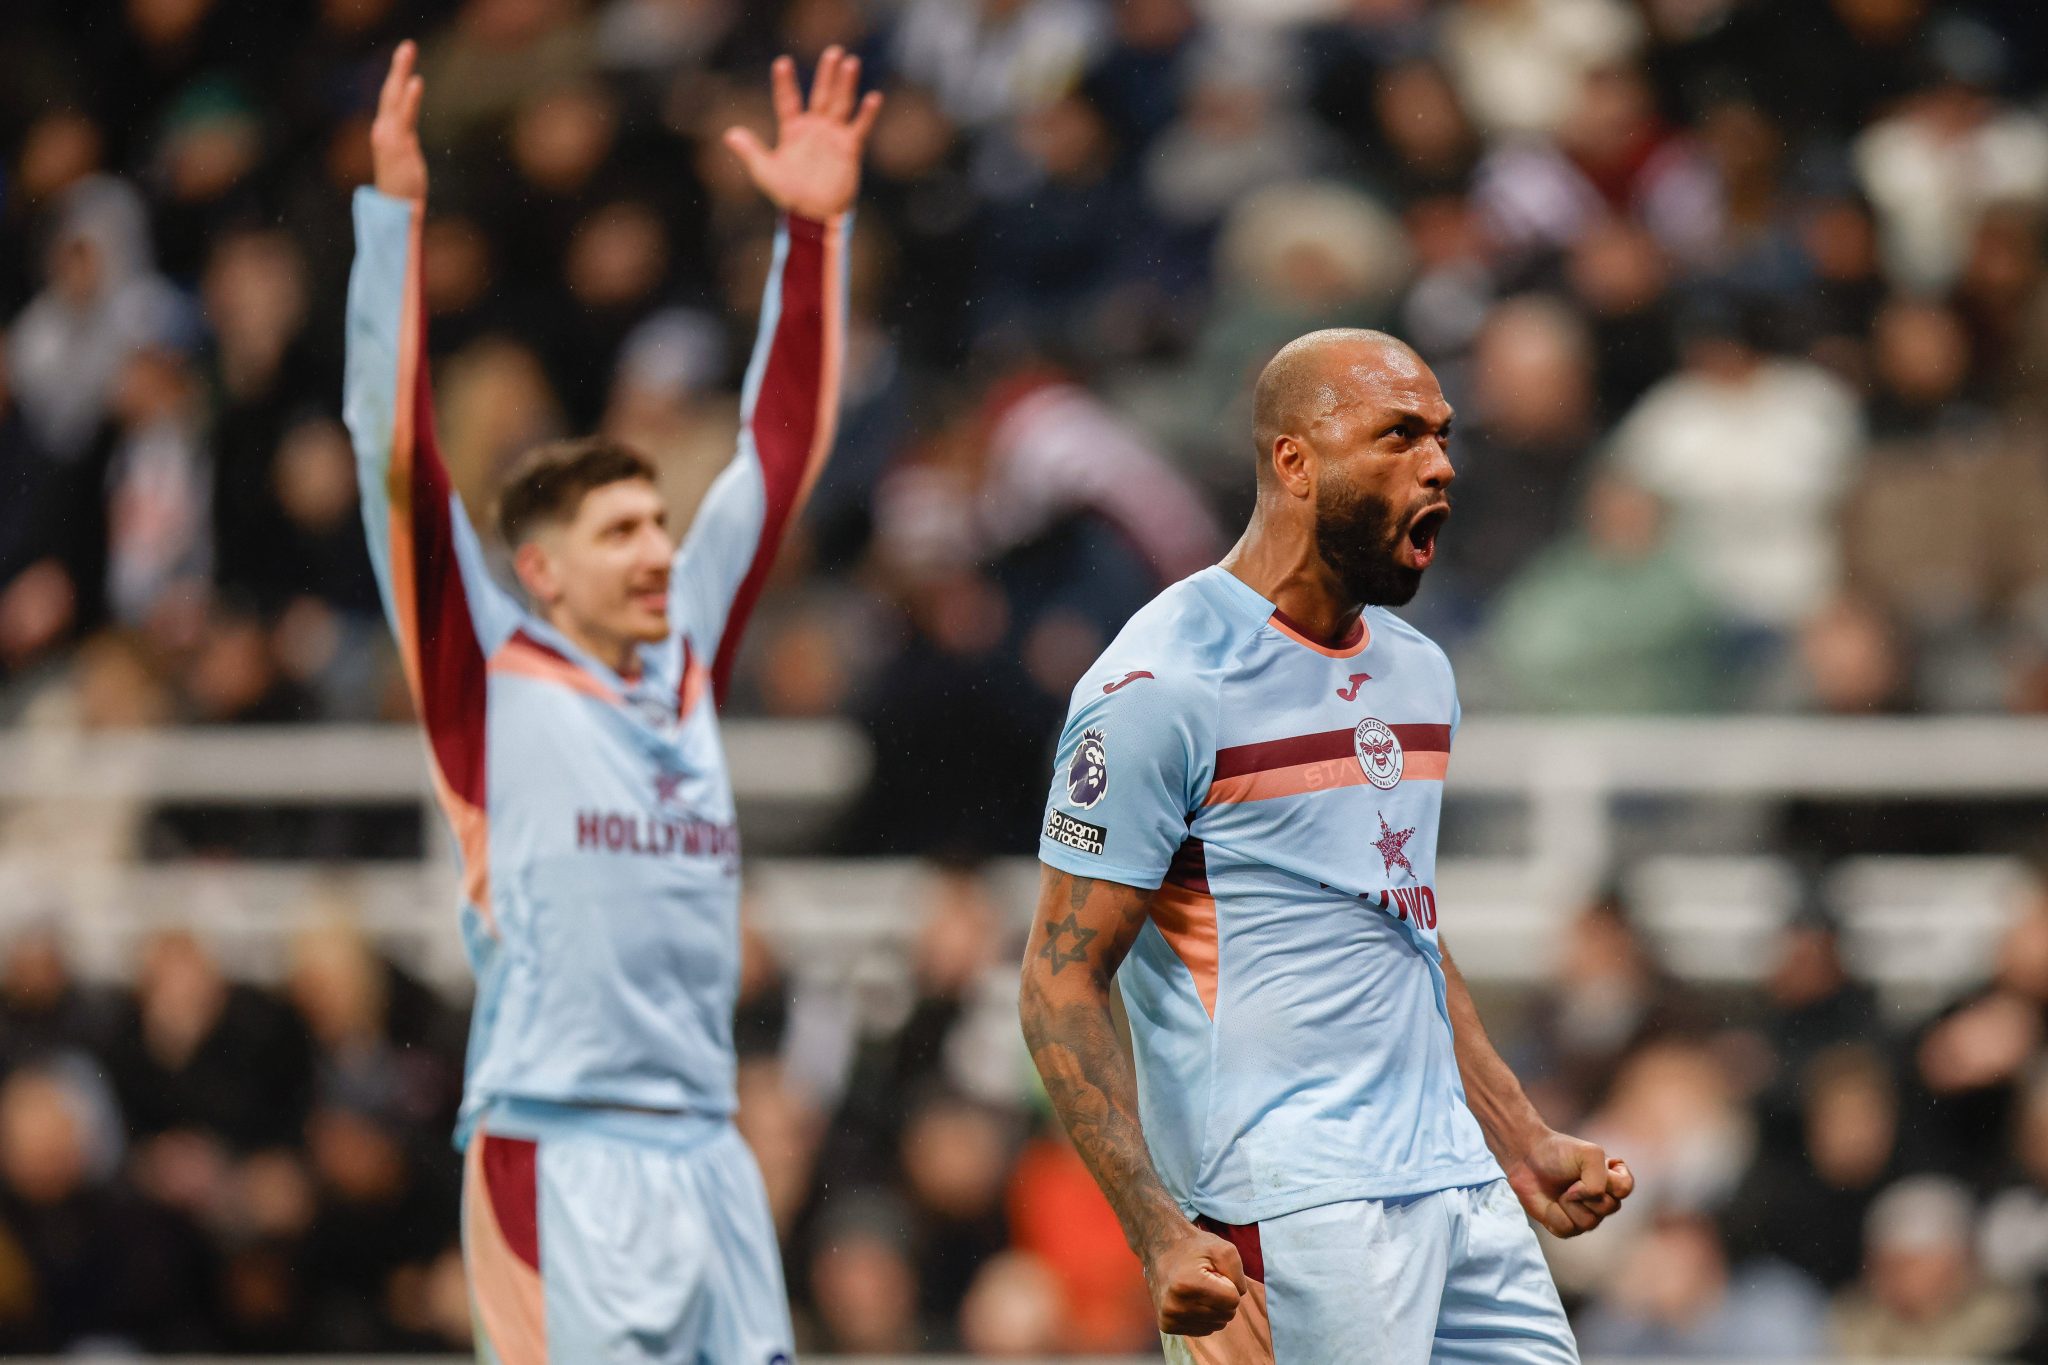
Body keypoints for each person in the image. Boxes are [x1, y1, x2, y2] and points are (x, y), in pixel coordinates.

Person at [342, 40, 879, 1363]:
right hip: (556, 1147)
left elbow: (773, 452)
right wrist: (393, 226)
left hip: (707, 1145)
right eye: (622, 530)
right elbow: (397, 459)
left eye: (659, 522)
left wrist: (812, 236)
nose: (657, 549)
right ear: (539, 570)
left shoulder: (686, 652)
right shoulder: (490, 677)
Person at [1019, 328, 1634, 1362]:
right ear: (1292, 462)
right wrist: (1156, 1229)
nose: (1437, 464)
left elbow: (1400, 927)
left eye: (1440, 437)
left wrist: (1517, 1137)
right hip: (1288, 1207)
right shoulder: (1160, 688)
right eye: (1397, 436)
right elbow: (1057, 981)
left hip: (1456, 1188)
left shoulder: (1416, 673)